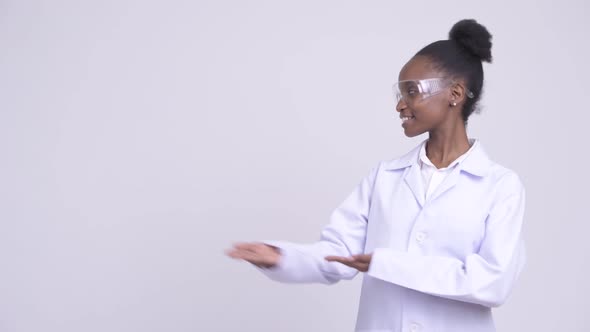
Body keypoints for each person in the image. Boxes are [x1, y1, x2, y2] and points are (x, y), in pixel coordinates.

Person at [226, 19, 526, 332]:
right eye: (400, 92)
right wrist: (282, 257)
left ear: (454, 93)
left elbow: (493, 283)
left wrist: (388, 264)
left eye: (412, 91)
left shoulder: (500, 186)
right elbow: (341, 252)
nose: (400, 105)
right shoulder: (385, 177)